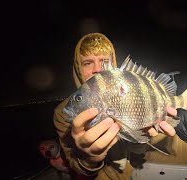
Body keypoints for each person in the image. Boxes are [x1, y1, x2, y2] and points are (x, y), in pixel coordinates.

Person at [53, 32, 178, 179]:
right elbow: (76, 170)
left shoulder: (126, 91)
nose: (97, 69)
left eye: (104, 61)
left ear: (113, 64)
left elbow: (138, 150)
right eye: (87, 63)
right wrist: (90, 159)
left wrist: (142, 137)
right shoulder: (63, 113)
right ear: (78, 68)